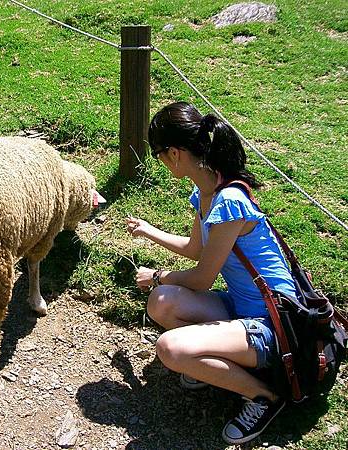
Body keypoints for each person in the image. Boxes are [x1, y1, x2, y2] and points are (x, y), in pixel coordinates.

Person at [126, 102, 296, 444]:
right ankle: (215, 367)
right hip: (241, 307)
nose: (160, 161)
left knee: (170, 349)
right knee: (161, 303)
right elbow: (194, 249)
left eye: (159, 153)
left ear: (174, 154)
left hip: (275, 323)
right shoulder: (205, 192)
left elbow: (203, 278)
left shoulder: (229, 201)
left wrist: (158, 275)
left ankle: (264, 397)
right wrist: (148, 231)